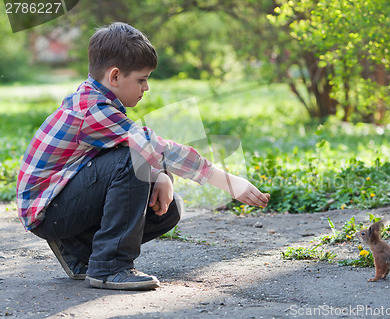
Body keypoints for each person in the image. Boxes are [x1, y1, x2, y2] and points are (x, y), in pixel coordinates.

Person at [16, 22, 269, 291]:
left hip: (60, 203)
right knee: (134, 159)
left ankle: (79, 250)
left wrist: (159, 175)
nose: (146, 87)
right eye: (142, 79)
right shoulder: (92, 110)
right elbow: (155, 147)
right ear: (115, 77)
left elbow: (127, 147)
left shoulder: (99, 100)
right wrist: (228, 181)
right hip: (46, 210)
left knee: (168, 209)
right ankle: (109, 267)